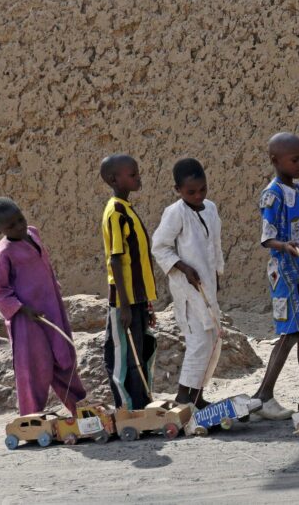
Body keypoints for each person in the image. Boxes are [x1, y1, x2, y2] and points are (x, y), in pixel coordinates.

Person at [0, 197, 87, 415]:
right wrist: (23, 309)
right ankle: (31, 419)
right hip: (27, 321)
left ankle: (81, 409)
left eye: (20, 220)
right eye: (11, 226)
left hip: (51, 311)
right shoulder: (4, 253)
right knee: (35, 367)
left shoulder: (33, 233)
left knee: (64, 357)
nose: (19, 227)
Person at [252, 132, 299, 419]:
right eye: (295, 160)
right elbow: (267, 238)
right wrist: (286, 247)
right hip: (285, 274)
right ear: (275, 161)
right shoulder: (272, 194)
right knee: (289, 332)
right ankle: (263, 395)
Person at [152, 158, 224, 409]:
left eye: (202, 189)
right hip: (187, 288)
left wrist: (216, 275)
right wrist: (183, 267)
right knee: (199, 341)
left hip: (207, 287)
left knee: (214, 338)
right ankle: (184, 396)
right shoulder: (175, 213)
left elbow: (214, 246)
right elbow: (160, 246)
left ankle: (197, 394)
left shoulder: (211, 209)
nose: (198, 195)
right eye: (191, 191)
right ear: (178, 190)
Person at [100, 154, 157, 410]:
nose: (138, 177)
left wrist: (146, 302)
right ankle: (126, 408)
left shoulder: (127, 209)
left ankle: (142, 404)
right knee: (123, 356)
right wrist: (123, 305)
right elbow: (115, 261)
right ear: (114, 179)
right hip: (124, 301)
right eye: (132, 174)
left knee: (140, 353)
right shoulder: (115, 212)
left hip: (138, 299)